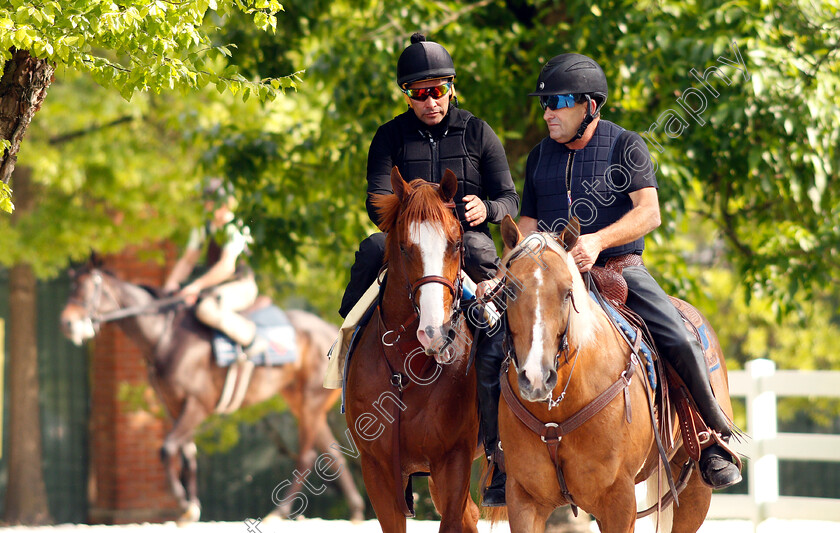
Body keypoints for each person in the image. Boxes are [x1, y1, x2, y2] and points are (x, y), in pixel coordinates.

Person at [507, 52, 741, 489]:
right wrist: (515, 262)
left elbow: (648, 213)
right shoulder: (539, 156)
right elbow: (528, 223)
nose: (547, 112)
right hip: (551, 279)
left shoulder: (625, 144)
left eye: (557, 102)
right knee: (493, 337)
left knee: (679, 337)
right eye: (544, 104)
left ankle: (712, 439)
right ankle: (501, 455)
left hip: (619, 270)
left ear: (590, 105)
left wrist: (597, 241)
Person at [338, 33, 520, 506]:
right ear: (407, 96)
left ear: (451, 88)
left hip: (464, 240)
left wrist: (489, 208)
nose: (430, 101)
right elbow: (376, 199)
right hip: (408, 244)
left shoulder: (479, 132)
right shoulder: (389, 136)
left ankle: (501, 411)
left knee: (489, 273)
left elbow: (509, 197)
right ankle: (347, 344)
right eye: (419, 93)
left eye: (437, 90)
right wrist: (412, 217)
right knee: (367, 252)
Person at [163, 178, 266, 358]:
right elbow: (187, 260)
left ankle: (252, 339)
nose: (208, 207)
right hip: (215, 286)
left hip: (241, 286)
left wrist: (196, 286)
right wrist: (171, 284)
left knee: (207, 310)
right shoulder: (204, 227)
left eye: (212, 203)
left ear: (227, 203)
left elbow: (226, 267)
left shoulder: (236, 229)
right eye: (207, 203)